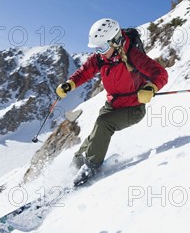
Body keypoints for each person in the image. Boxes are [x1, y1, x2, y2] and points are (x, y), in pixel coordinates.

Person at [56, 18, 168, 185]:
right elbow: (85, 71)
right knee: (95, 135)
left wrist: (151, 88)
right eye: (97, 48)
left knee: (103, 124)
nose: (99, 52)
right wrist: (70, 84)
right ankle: (77, 163)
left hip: (133, 108)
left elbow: (160, 73)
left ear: (115, 41)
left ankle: (91, 167)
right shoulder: (102, 58)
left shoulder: (132, 55)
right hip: (113, 105)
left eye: (102, 47)